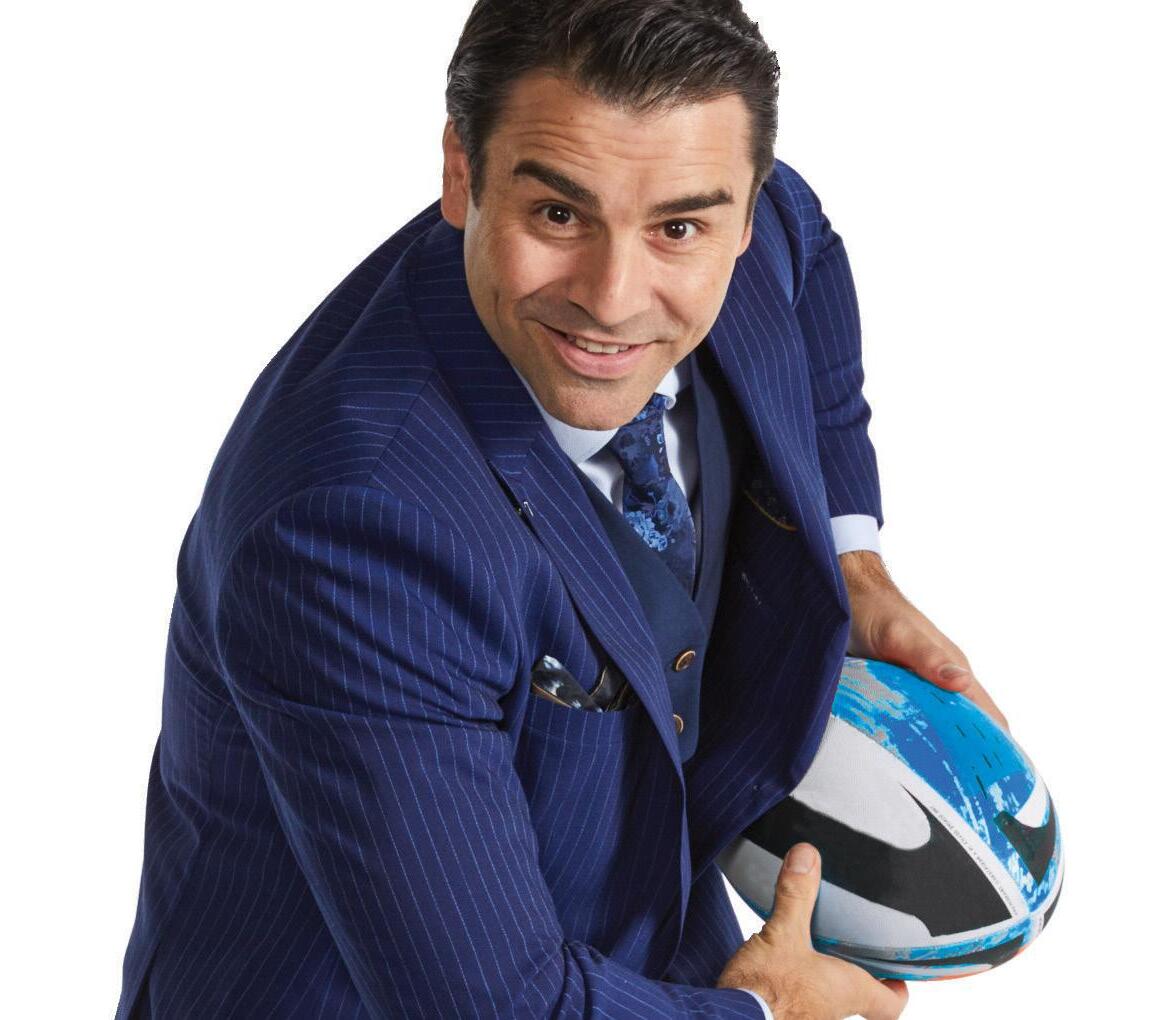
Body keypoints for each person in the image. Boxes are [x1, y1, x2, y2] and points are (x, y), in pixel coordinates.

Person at [115, 2, 1008, 1017]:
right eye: (557, 216)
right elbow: (502, 1006)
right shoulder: (350, 533)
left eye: (678, 228)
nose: (613, 297)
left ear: (741, 208)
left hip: (647, 955)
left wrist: (853, 560)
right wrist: (766, 1012)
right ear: (463, 173)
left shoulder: (745, 219)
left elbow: (811, 262)